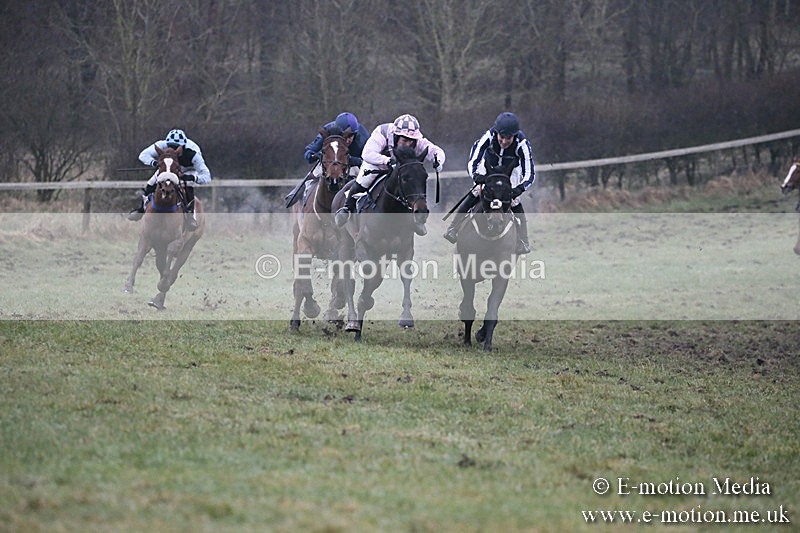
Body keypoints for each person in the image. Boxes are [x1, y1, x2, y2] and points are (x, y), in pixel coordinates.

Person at [334, 113, 445, 235]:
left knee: (413, 185)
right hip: (377, 163)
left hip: (400, 169)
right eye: (404, 140)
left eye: (411, 140)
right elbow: (367, 153)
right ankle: (347, 208)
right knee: (364, 181)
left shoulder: (418, 141)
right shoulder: (382, 132)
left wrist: (438, 161)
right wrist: (386, 161)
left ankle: (418, 220)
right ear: (396, 136)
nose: (408, 144)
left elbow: (436, 150)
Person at [443, 112, 534, 254]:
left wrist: (519, 189)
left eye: (508, 138)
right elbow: (474, 160)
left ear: (514, 136)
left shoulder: (522, 144)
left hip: (510, 172)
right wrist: (476, 176)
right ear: (497, 133)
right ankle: (453, 228)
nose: (504, 142)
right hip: (488, 168)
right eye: (501, 137)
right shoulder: (488, 137)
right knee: (476, 192)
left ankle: (523, 241)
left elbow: (529, 173)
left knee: (515, 201)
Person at [128, 128, 212, 231]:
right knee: (151, 183)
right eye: (170, 146)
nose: (173, 150)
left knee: (188, 186)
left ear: (183, 147)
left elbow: (207, 176)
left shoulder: (194, 153)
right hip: (168, 167)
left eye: (176, 147)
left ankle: (190, 216)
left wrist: (190, 177)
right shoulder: (161, 145)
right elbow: (143, 155)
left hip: (187, 170)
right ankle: (141, 209)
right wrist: (154, 163)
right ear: (166, 143)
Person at [284, 112, 369, 208]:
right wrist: (313, 156)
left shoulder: (363, 136)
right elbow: (309, 150)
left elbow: (369, 159)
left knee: (366, 180)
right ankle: (299, 192)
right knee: (315, 173)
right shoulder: (328, 130)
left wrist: (354, 160)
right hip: (330, 161)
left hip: (353, 163)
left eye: (352, 135)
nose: (349, 140)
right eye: (347, 136)